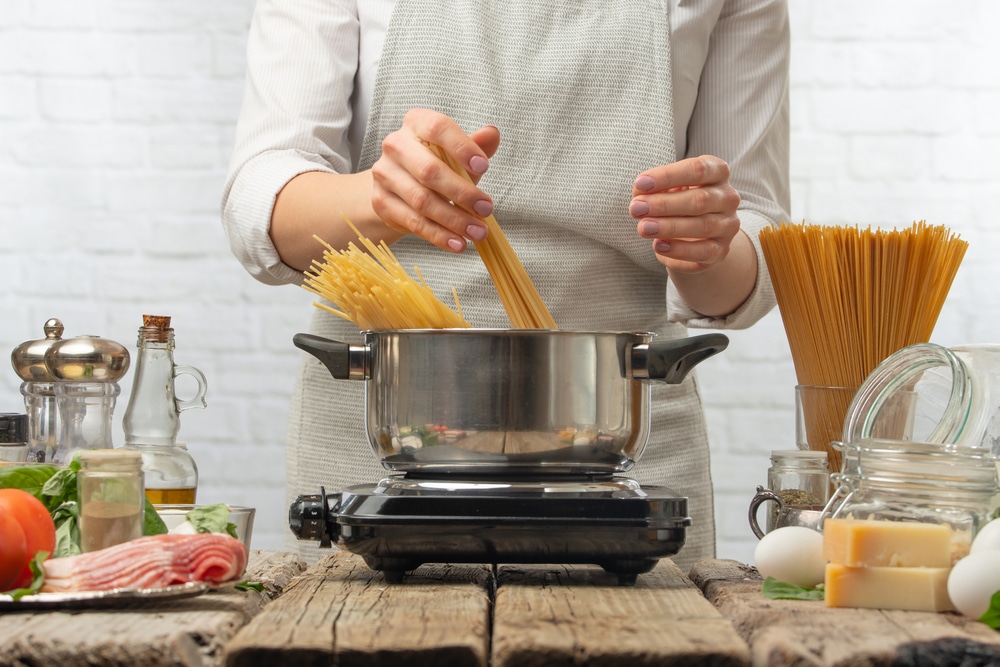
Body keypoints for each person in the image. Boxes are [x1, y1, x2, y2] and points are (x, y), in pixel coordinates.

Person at [222, 0, 790, 572]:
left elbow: (755, 236)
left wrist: (705, 244)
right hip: (378, 432)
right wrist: (379, 196)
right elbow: (258, 205)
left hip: (621, 448)